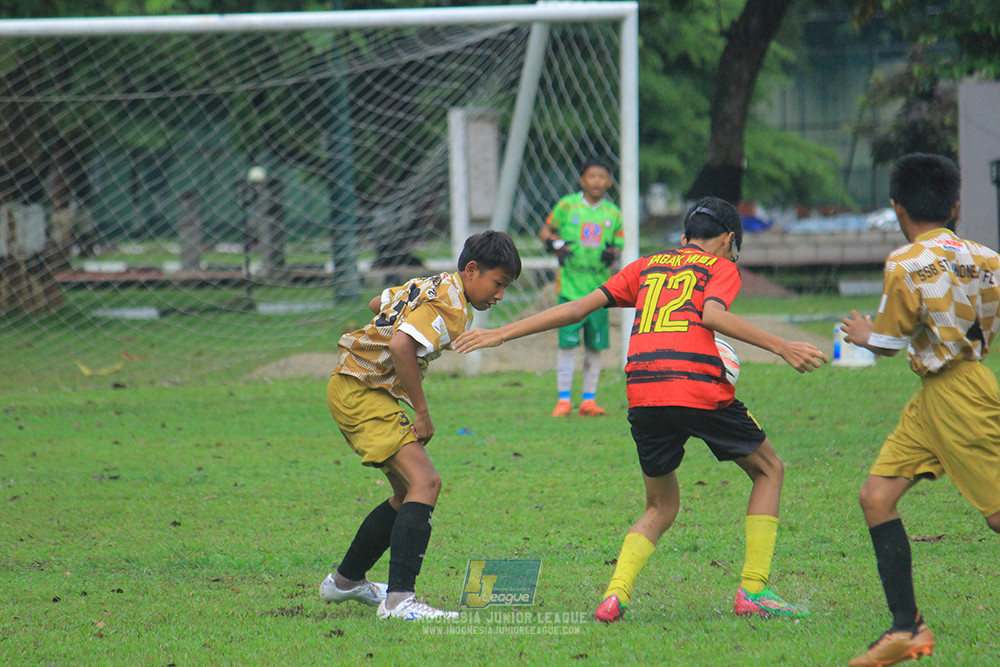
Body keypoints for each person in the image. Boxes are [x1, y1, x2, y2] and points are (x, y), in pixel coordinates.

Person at [455, 196, 827, 622]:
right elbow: (712, 316)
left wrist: (501, 334)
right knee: (769, 469)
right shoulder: (721, 267)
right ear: (728, 240)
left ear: (685, 237)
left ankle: (615, 595)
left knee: (660, 505)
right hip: (694, 383)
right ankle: (754, 590)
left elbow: (577, 308)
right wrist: (782, 346)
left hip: (643, 388)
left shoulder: (647, 265)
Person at [841, 153, 1000, 667]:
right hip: (945, 390)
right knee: (876, 497)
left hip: (957, 395)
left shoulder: (903, 262)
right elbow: (985, 321)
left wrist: (865, 333)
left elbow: (887, 341)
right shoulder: (987, 257)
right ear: (954, 205)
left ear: (896, 207)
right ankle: (907, 628)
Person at [319, 231, 522, 621]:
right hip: (362, 390)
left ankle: (345, 581)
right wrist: (422, 412)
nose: (499, 296)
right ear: (473, 269)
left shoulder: (433, 284)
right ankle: (399, 602)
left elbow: (378, 302)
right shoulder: (452, 305)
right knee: (426, 483)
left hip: (354, 384)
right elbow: (400, 346)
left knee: (406, 493)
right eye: (498, 284)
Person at [538, 158, 625, 417]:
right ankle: (563, 400)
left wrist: (613, 254)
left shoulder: (614, 214)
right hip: (569, 289)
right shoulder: (567, 205)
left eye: (602, 176)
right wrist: (554, 243)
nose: (597, 181)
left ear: (609, 181)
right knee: (566, 345)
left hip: (599, 293)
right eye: (592, 176)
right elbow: (545, 231)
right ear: (582, 179)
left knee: (594, 347)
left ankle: (589, 400)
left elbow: (617, 246)